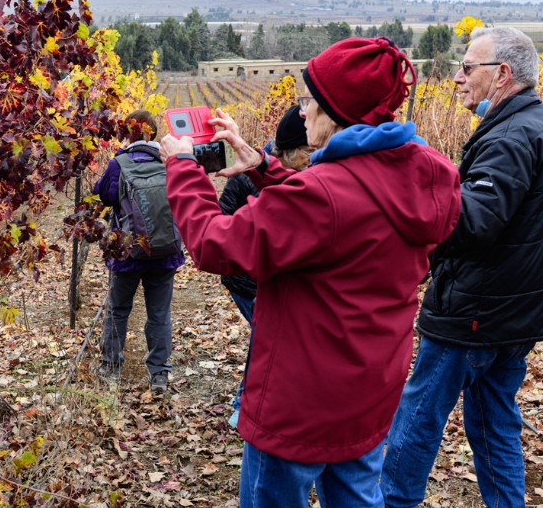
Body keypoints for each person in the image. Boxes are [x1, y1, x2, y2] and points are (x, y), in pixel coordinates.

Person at [159, 37, 461, 507]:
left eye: (309, 102)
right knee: (360, 495)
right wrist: (262, 166)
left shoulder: (323, 194)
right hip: (369, 388)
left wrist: (182, 167)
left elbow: (214, 244)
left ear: (337, 110)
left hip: (300, 402)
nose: (301, 113)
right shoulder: (427, 172)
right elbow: (346, 215)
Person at [381, 27, 543, 507]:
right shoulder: (539, 120)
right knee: (494, 424)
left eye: (468, 68)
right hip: (516, 313)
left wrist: (414, 189)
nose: (457, 77)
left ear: (502, 74)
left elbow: (472, 222)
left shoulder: (509, 135)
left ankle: (391, 502)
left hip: (476, 313)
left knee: (417, 422)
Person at [219, 104, 313, 428]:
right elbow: (222, 225)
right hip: (247, 278)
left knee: (270, 336)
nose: (311, 161)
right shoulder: (249, 176)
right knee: (266, 335)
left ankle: (251, 401)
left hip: (272, 277)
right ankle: (244, 403)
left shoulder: (298, 178)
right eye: (308, 153)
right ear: (294, 151)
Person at [94, 109, 185, 393]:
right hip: (165, 251)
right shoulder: (171, 161)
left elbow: (104, 195)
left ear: (128, 134)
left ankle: (110, 366)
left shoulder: (119, 163)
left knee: (118, 309)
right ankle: (159, 374)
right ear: (153, 133)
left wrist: (117, 158)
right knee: (159, 313)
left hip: (127, 254)